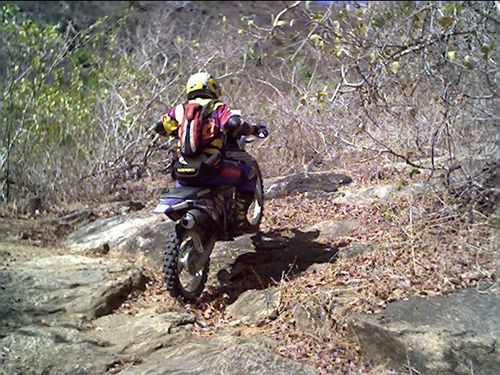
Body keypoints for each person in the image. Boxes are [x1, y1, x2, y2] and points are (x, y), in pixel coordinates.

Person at [153, 72, 268, 233]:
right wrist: (254, 129)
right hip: (210, 169)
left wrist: (177, 132)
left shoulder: (179, 110)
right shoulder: (216, 107)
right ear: (212, 87)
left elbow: (159, 127)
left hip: (181, 171)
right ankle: (239, 218)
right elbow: (234, 123)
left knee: (185, 181)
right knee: (248, 172)